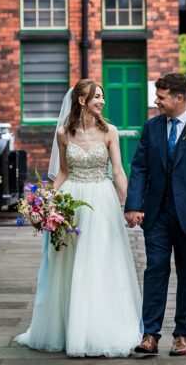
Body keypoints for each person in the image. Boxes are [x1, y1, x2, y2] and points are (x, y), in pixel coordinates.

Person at [14, 79, 142, 357]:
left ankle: (99, 329)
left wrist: (130, 204)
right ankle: (66, 328)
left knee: (99, 261)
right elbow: (62, 172)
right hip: (71, 201)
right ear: (82, 100)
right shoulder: (63, 133)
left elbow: (118, 172)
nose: (103, 101)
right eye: (98, 97)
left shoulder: (110, 131)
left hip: (101, 201)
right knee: (69, 264)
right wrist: (45, 200)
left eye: (103, 97)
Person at [124, 73, 186, 357]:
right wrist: (133, 205)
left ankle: (183, 334)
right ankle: (150, 335)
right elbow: (140, 167)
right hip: (156, 215)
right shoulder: (152, 127)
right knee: (155, 270)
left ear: (179, 98)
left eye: (162, 97)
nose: (157, 102)